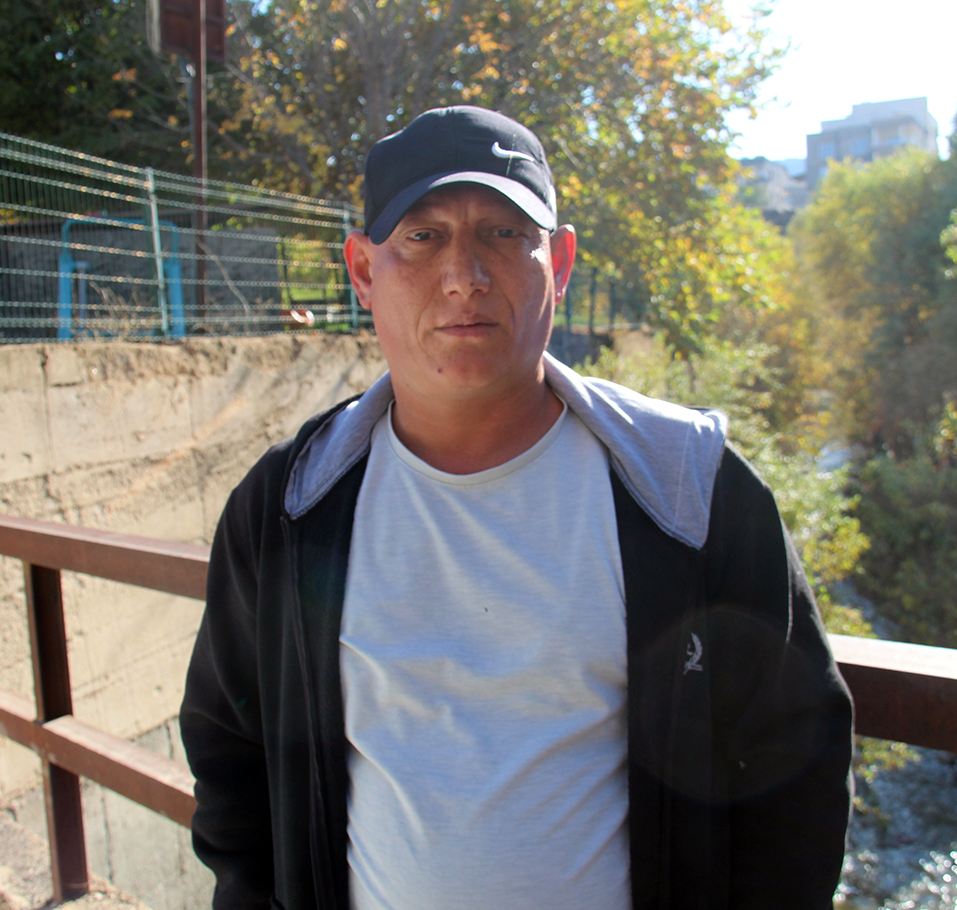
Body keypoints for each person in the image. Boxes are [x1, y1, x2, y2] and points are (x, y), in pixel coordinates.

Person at [180, 105, 854, 910]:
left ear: (559, 262)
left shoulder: (688, 490)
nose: (464, 275)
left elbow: (799, 764)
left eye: (504, 234)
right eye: (422, 237)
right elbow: (230, 752)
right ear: (362, 271)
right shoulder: (286, 510)